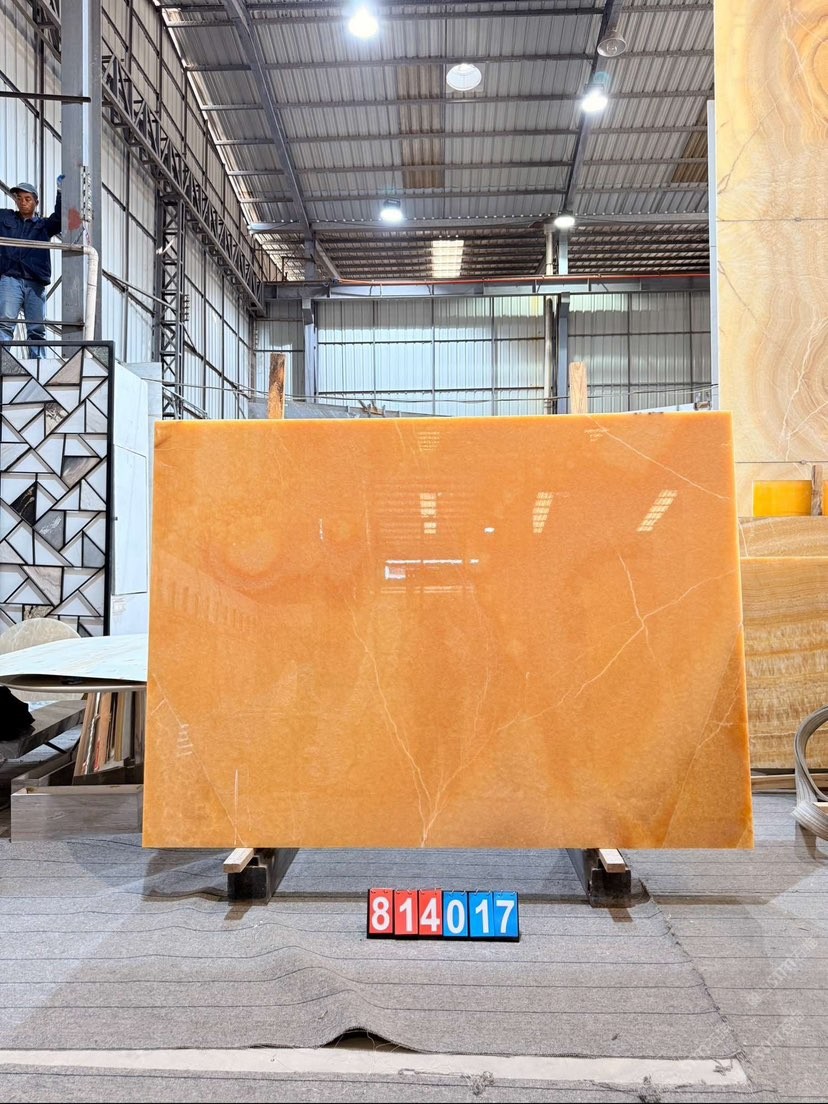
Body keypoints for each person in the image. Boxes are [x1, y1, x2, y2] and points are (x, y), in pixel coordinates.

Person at [0, 177, 63, 358]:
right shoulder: (5, 218)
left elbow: (60, 218)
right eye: (19, 198)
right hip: (10, 279)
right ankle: (2, 363)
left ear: (36, 202)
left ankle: (38, 365)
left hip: (35, 282)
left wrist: (61, 192)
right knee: (4, 324)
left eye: (27, 199)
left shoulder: (43, 226)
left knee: (36, 328)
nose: (23, 202)